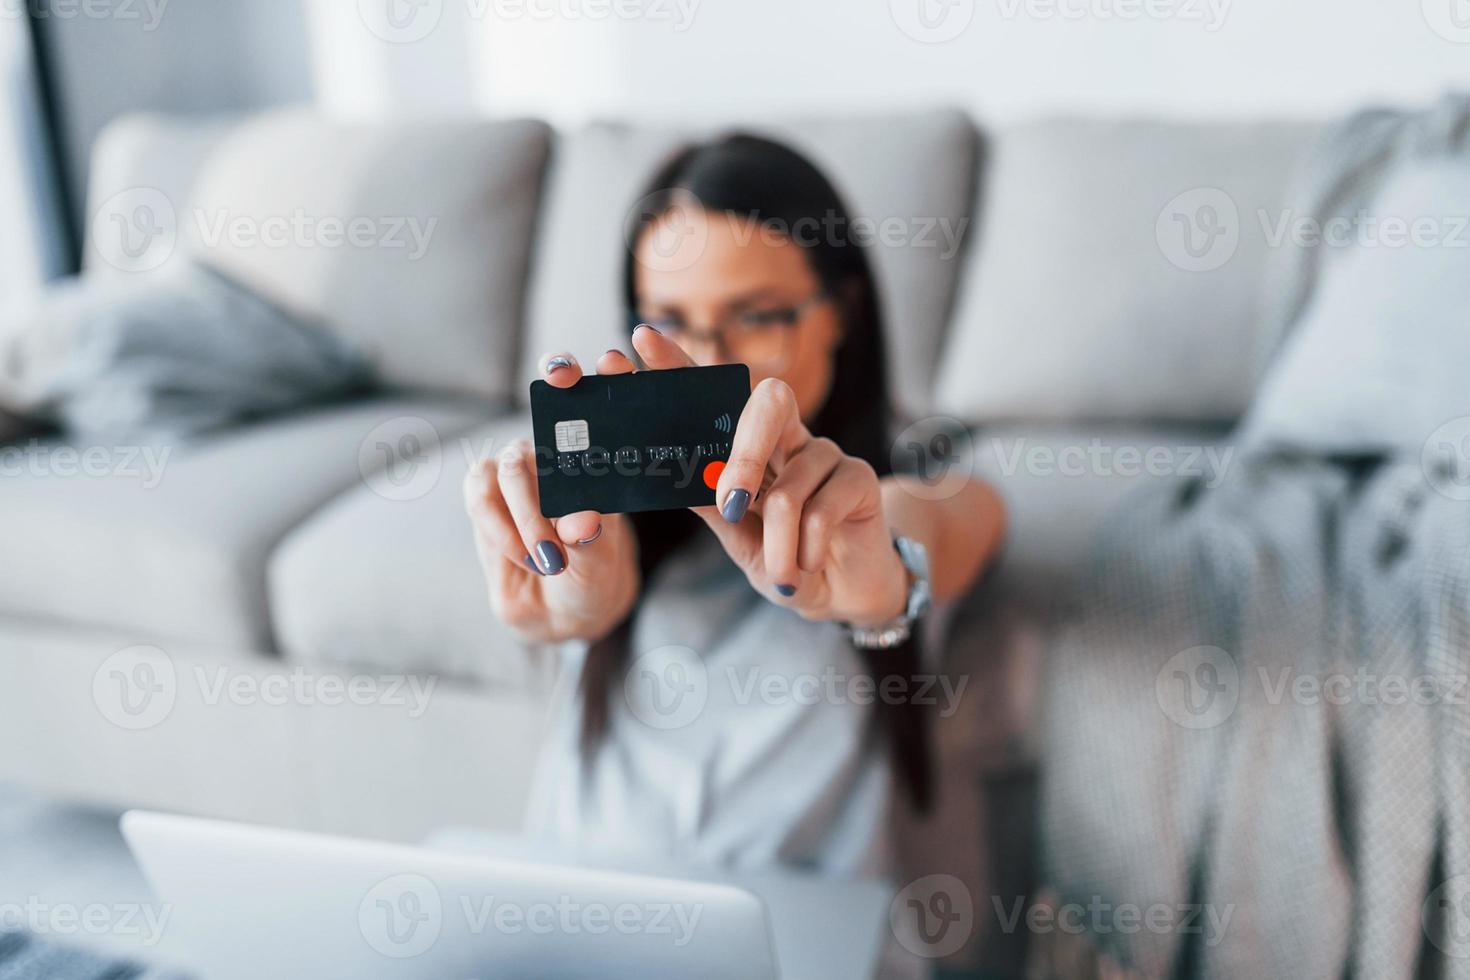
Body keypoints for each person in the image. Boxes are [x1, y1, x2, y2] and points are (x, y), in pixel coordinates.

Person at [464, 134, 1005, 877]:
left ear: (839, 312)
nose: (711, 357)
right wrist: (581, 607)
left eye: (754, 316)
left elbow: (933, 520)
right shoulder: (612, 519)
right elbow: (598, 580)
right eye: (673, 321)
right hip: (576, 917)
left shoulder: (899, 498)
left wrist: (878, 577)